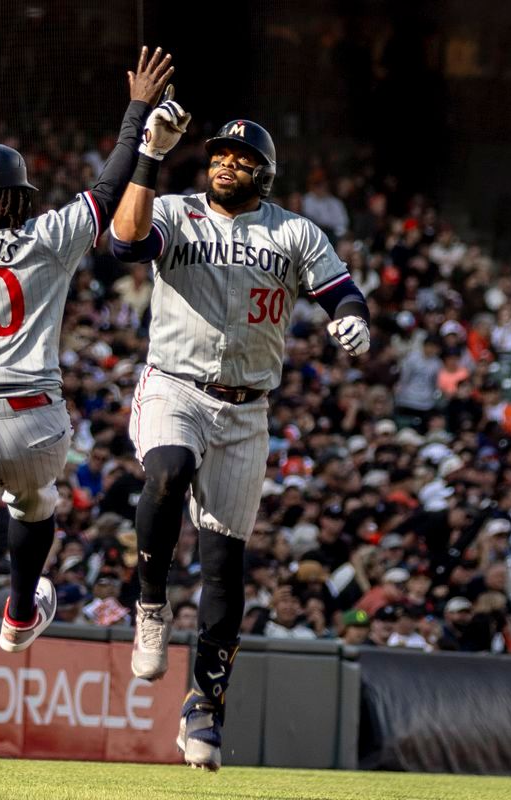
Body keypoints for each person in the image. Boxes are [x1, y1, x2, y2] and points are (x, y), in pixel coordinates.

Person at [0, 46, 174, 788]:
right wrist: (136, 112)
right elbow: (109, 189)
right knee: (36, 500)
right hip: (33, 419)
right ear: (19, 195)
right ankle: (22, 604)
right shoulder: (43, 237)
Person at [109, 117, 371, 770]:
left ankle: (204, 707)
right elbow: (125, 241)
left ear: (265, 170)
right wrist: (147, 158)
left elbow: (342, 291)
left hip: (247, 410)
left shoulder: (293, 231)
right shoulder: (175, 208)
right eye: (219, 154)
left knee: (226, 566)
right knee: (167, 468)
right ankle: (148, 605)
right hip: (175, 384)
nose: (225, 163)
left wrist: (352, 320)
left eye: (240, 156)